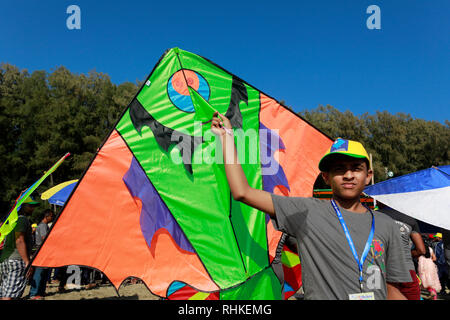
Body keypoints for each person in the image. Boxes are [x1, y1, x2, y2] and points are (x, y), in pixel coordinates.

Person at [211, 112, 411, 300]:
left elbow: (392, 289)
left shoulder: (386, 224)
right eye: (339, 169)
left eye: (356, 168)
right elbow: (242, 192)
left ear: (368, 176)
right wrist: (226, 137)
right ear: (326, 178)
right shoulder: (308, 212)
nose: (348, 175)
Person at [376, 202, 425, 300]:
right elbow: (421, 250)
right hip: (407, 270)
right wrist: (403, 254)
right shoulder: (410, 219)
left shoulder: (374, 216)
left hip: (382, 269)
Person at [0, 196, 38, 299]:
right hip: (16, 261)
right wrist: (27, 262)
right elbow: (19, 240)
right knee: (10, 296)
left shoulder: (10, 220)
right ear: (23, 206)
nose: (33, 209)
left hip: (5, 260)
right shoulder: (21, 219)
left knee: (4, 293)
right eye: (30, 206)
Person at [29, 209, 55, 299]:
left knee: (42, 273)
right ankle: (34, 293)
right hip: (41, 251)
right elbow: (45, 238)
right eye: (51, 216)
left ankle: (39, 292)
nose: (52, 217)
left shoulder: (40, 225)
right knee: (39, 272)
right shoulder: (43, 226)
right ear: (46, 216)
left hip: (39, 251)